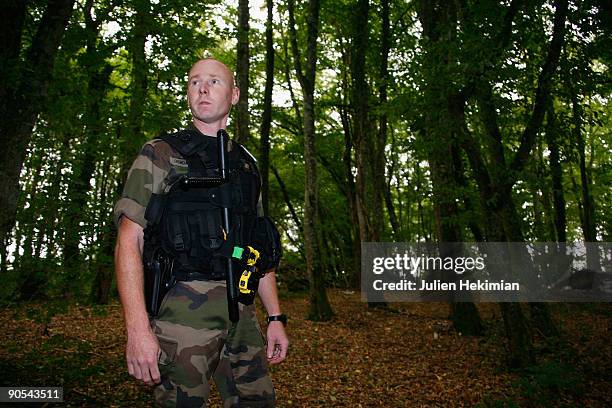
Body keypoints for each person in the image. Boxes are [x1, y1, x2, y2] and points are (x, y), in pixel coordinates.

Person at [114, 58, 288, 408]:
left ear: (235, 95)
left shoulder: (245, 164)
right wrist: (137, 331)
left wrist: (275, 317)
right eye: (195, 82)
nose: (203, 88)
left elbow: (257, 251)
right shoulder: (162, 153)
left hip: (242, 311)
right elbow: (128, 240)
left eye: (214, 81)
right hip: (182, 310)